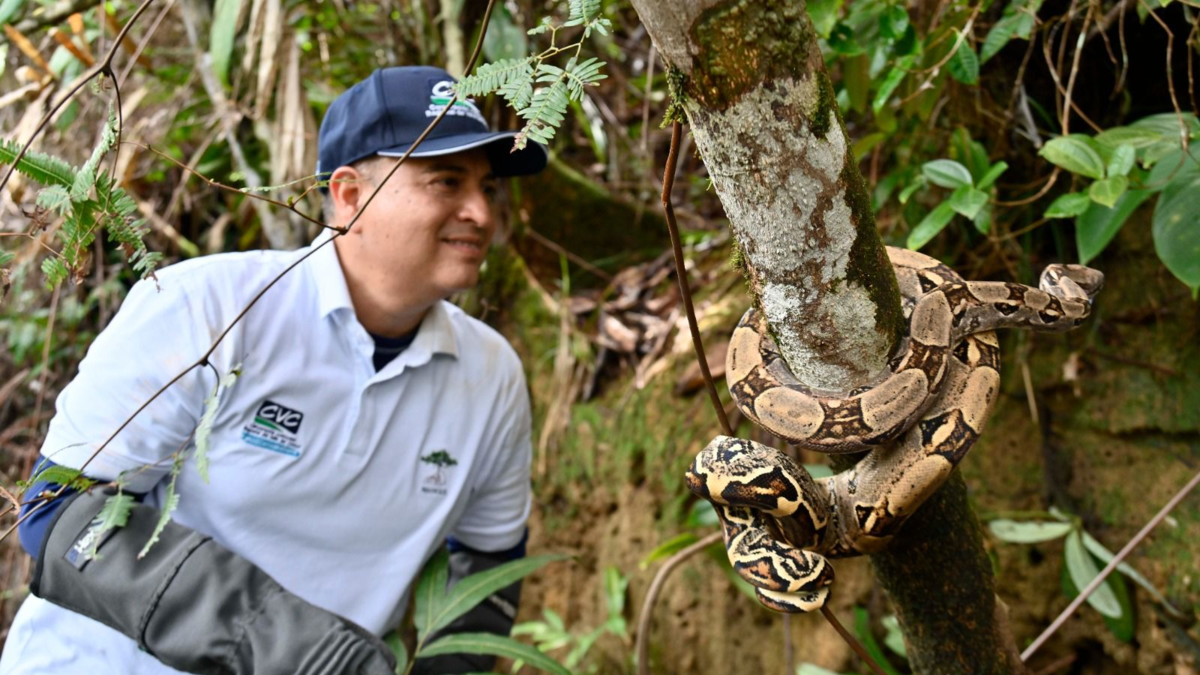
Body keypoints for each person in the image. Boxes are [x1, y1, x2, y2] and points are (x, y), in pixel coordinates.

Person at [0, 66, 547, 675]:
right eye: (446, 181)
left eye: (489, 187)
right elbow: (55, 512)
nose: (480, 211)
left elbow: (487, 566)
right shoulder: (207, 308)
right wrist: (299, 649)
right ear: (348, 195)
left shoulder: (491, 376)